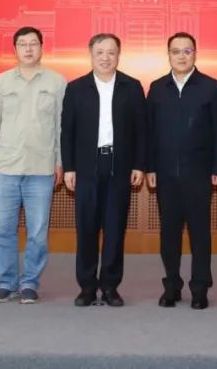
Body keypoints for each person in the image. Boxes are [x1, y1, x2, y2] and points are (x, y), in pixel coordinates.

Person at [61, 33, 146, 307]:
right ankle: (86, 287)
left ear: (118, 55)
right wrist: (69, 167)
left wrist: (139, 164)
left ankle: (110, 286)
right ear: (91, 55)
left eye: (111, 52)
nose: (105, 58)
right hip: (86, 166)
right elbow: (67, 132)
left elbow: (141, 131)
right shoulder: (76, 88)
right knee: (86, 227)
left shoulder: (131, 87)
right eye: (100, 52)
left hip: (119, 166)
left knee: (114, 228)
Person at [0, 27, 67, 305]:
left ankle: (30, 282)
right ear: (15, 49)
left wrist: (59, 162)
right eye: (23, 44)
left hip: (42, 169)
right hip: (7, 167)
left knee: (37, 233)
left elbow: (61, 127)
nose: (29, 49)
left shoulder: (57, 82)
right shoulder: (1, 82)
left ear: (42, 48)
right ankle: (7, 283)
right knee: (1, 229)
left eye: (34, 44)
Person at [146, 32, 217, 310]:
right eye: (176, 51)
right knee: (169, 233)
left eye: (187, 51)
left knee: (199, 233)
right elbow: (149, 132)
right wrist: (150, 167)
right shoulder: (157, 88)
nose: (181, 56)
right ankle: (171, 286)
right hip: (165, 173)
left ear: (195, 54)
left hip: (199, 173)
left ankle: (200, 288)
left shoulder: (211, 87)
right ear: (168, 55)